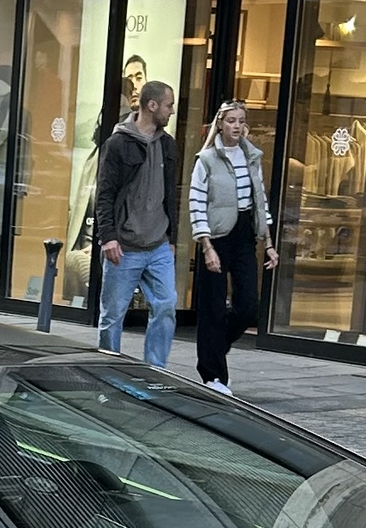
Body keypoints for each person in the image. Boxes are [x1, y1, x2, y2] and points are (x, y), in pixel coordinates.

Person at [187, 98, 274, 393]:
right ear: (220, 124)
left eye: (240, 121)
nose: (236, 126)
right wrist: (206, 245)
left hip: (244, 235)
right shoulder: (207, 159)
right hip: (216, 236)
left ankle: (213, 350)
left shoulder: (251, 156)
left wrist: (269, 242)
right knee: (212, 307)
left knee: (248, 307)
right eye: (231, 121)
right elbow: (196, 203)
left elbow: (260, 200)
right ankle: (214, 376)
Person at [92, 76, 176, 369]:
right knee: (113, 314)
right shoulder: (118, 143)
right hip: (124, 245)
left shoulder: (168, 145)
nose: (172, 111)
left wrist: (172, 237)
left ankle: (156, 371)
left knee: (165, 306)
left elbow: (169, 193)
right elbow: (104, 193)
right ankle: (108, 371)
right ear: (152, 105)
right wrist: (108, 237)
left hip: (158, 244)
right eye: (168, 105)